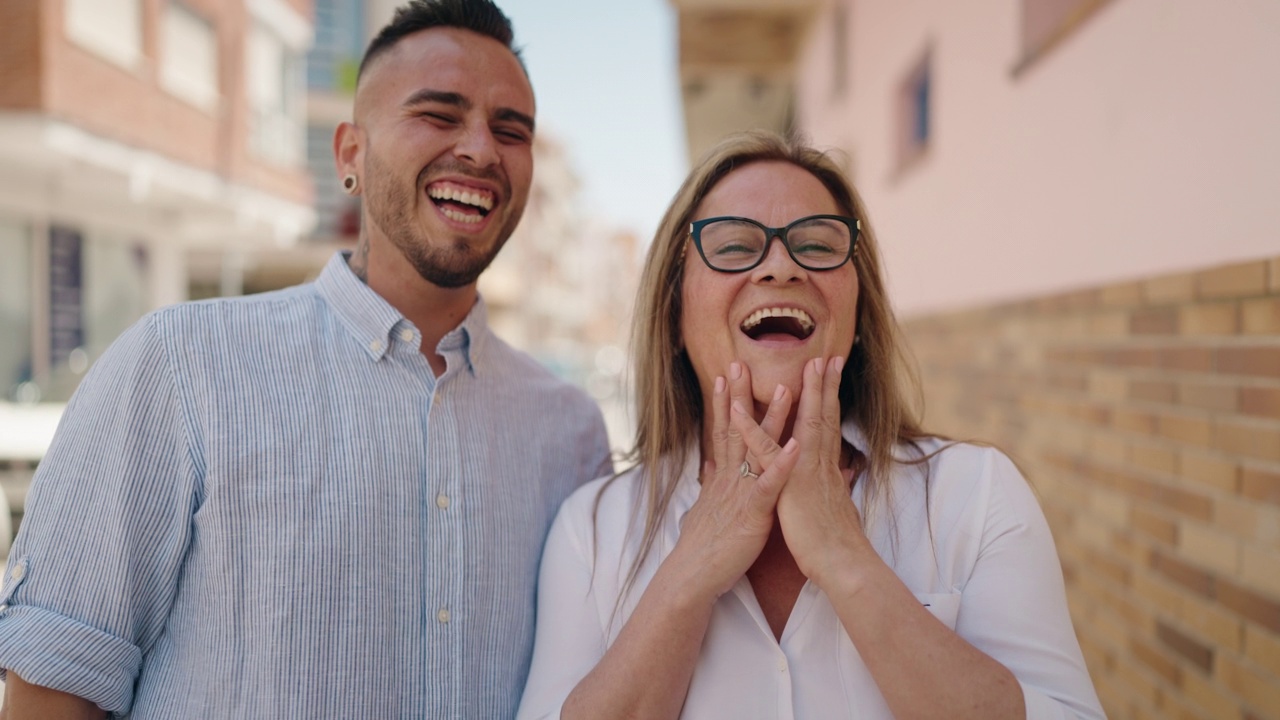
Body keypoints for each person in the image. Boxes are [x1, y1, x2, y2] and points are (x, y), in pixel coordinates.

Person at [0, 1, 611, 717]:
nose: (480, 149)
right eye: (440, 116)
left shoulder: (571, 435)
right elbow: (53, 692)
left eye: (511, 129)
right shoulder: (180, 370)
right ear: (351, 153)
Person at [517, 131, 1105, 719]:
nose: (780, 267)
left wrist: (845, 557)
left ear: (857, 315)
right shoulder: (591, 532)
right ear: (674, 311)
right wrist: (687, 577)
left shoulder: (976, 495)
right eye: (733, 245)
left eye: (818, 245)